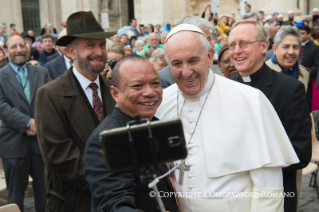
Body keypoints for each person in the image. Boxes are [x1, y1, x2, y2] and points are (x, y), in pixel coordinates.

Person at [156, 23, 299, 212]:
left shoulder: (249, 99)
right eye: (176, 63)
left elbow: (268, 184)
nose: (186, 71)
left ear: (208, 57)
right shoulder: (160, 103)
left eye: (192, 60)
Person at [34, 11, 116, 212]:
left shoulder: (114, 88)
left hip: (115, 200)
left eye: (102, 45)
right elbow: (59, 156)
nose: (99, 51)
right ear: (70, 52)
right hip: (75, 202)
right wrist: (108, 182)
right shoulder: (50, 94)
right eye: (90, 45)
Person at [229, 20, 311, 212]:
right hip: (232, 196)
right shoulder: (225, 87)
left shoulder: (290, 89)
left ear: (264, 46)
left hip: (275, 194)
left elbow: (300, 153)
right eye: (232, 45)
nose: (236, 51)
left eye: (244, 43)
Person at [83, 54, 178, 212]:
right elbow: (114, 206)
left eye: (155, 83)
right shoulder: (107, 140)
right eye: (137, 86)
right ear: (115, 94)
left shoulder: (153, 125)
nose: (149, 92)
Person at [0, 34, 51, 212]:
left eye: (22, 45)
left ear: (28, 48)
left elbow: (50, 102)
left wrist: (39, 123)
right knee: (15, 198)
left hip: (41, 144)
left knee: (45, 194)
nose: (19, 50)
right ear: (6, 51)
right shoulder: (0, 76)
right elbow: (1, 106)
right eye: (14, 47)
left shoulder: (42, 72)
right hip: (13, 145)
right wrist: (28, 123)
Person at [265, 26, 309, 90]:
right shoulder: (263, 72)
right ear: (275, 49)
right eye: (286, 47)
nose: (291, 52)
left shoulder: (304, 74)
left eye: (295, 47)